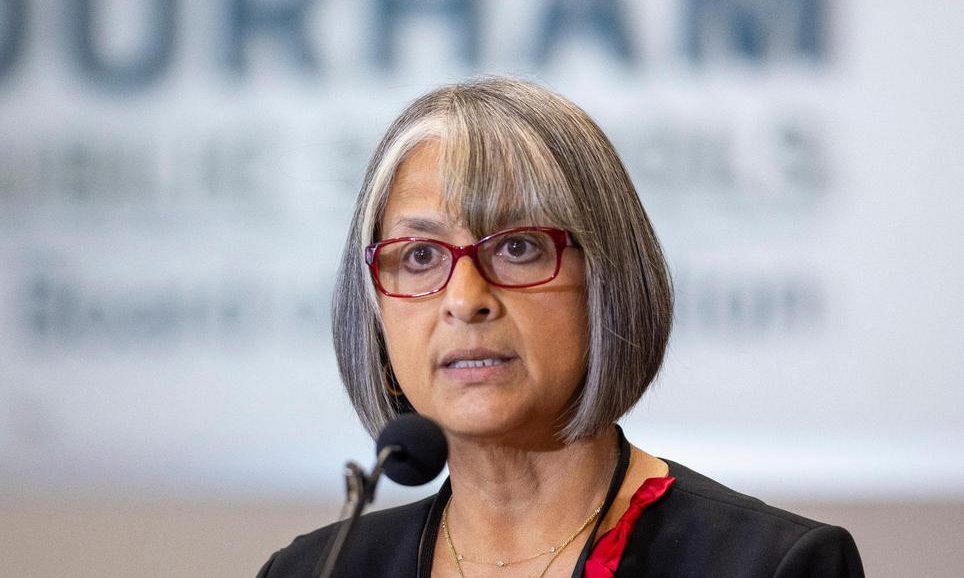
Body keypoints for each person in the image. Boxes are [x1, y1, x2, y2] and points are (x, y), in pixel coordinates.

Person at [258, 78, 864, 577]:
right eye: (419, 255)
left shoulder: (770, 567)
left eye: (519, 247)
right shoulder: (316, 572)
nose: (466, 300)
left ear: (609, 279)